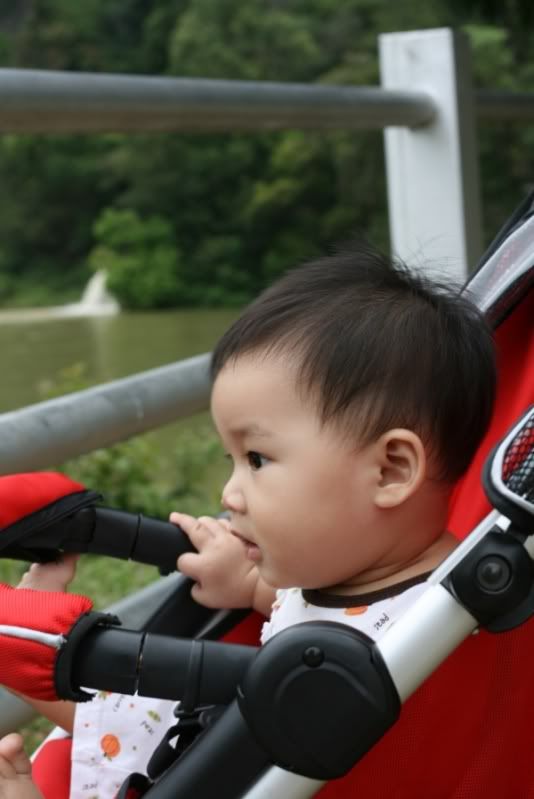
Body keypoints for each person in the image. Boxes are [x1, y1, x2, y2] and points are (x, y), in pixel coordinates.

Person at [0, 242, 496, 799]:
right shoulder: (391, 582)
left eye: (256, 459)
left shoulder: (401, 658)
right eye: (232, 460)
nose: (229, 493)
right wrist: (249, 584)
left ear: (390, 470)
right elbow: (318, 609)